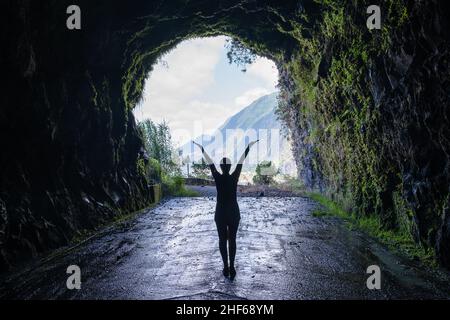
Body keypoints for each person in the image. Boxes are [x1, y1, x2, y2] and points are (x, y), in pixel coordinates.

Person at [193, 140, 259, 279]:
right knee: (232, 240)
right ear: (229, 167)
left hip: (221, 212)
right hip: (234, 212)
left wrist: (202, 149)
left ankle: (225, 267)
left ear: (221, 167)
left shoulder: (217, 177)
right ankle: (232, 267)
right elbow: (241, 160)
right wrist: (248, 147)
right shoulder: (235, 176)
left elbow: (210, 163)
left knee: (222, 240)